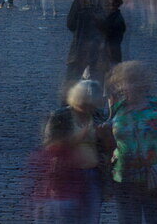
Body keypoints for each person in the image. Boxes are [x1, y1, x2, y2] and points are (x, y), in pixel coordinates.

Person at [106, 61, 157, 224]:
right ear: (121, 84)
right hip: (124, 177)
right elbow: (108, 143)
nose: (134, 85)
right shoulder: (116, 109)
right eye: (129, 80)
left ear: (146, 82)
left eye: (138, 80)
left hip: (155, 178)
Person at [27, 109, 86, 223]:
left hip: (44, 202)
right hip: (66, 202)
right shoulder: (73, 154)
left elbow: (31, 181)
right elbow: (79, 181)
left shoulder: (40, 154)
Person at [60, 80, 106, 224]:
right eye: (86, 104)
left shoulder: (98, 116)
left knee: (91, 218)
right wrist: (81, 135)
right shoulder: (61, 116)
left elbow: (107, 149)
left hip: (93, 174)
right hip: (67, 175)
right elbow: (52, 145)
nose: (89, 108)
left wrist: (106, 136)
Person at [65, 0, 106, 89]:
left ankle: (69, 102)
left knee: (72, 78)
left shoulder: (80, 1)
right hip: (100, 47)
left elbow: (70, 24)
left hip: (80, 45)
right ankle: (97, 103)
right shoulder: (107, 2)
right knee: (98, 79)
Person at [100, 0, 126, 69]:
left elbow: (109, 35)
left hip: (111, 54)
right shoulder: (111, 16)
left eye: (110, 0)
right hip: (108, 53)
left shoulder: (117, 19)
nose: (109, 2)